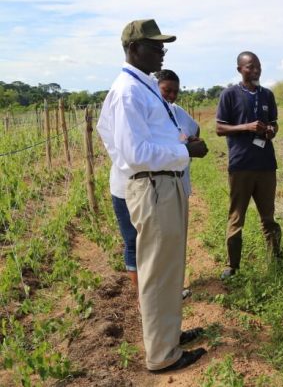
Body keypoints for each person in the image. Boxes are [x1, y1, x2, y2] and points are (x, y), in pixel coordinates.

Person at [97, 19, 208, 373]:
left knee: (168, 266)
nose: (162, 51)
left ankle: (168, 335)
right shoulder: (128, 91)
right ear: (133, 49)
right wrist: (183, 153)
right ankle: (163, 355)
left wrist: (177, 146)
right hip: (153, 185)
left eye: (163, 46)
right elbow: (135, 153)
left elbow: (113, 135)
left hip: (162, 183)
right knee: (158, 271)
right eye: (155, 45)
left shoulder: (141, 87)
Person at [216, 51, 282, 279]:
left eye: (258, 67)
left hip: (266, 166)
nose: (255, 71)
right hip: (241, 166)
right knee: (236, 217)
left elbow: (274, 123)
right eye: (250, 67)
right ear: (239, 70)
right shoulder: (229, 95)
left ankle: (275, 260)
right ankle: (232, 266)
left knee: (268, 216)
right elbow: (220, 128)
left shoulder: (267, 95)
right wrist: (246, 127)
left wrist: (271, 130)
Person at [156, 69, 200, 198]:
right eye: (167, 90)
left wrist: (188, 139)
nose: (172, 96)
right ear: (155, 88)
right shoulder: (150, 114)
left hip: (181, 180)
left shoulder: (176, 110)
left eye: (175, 92)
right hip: (159, 186)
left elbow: (194, 129)